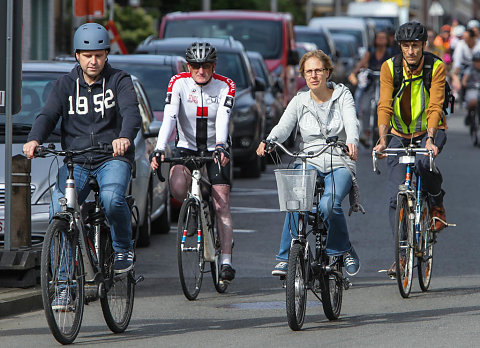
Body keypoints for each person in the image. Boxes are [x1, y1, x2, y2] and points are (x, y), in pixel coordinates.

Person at [23, 24, 142, 275]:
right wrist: (34, 139)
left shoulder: (120, 80)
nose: (93, 61)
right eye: (88, 56)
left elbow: (131, 112)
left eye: (99, 55)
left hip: (112, 157)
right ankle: (64, 284)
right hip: (75, 160)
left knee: (112, 199)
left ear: (107, 55)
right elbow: (47, 115)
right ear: (77, 55)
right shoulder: (65, 85)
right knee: (59, 209)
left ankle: (122, 246)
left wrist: (124, 137)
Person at [256, 49, 361, 277]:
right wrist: (269, 140)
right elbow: (284, 126)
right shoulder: (300, 100)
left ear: (327, 72)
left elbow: (352, 121)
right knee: (295, 201)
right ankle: (286, 257)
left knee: (328, 204)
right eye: (308, 71)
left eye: (318, 71)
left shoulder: (343, 95)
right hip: (309, 159)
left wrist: (352, 141)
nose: (313, 76)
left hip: (338, 157)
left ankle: (343, 248)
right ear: (303, 75)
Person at [150, 42, 236, 283]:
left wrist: (220, 145)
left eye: (206, 66)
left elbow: (223, 117)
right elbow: (169, 116)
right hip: (186, 146)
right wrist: (159, 149)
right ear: (188, 66)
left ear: (213, 66)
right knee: (177, 187)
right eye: (196, 66)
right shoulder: (178, 82)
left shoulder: (225, 85)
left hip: (216, 147)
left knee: (222, 204)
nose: (201, 71)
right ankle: (197, 204)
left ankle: (226, 259)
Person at [374, 21, 448, 276]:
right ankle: (402, 256)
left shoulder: (435, 66)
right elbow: (384, 104)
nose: (411, 51)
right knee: (396, 199)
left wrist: (430, 138)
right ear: (401, 47)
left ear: (423, 46)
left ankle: (436, 201)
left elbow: (436, 104)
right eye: (406, 46)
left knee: (422, 163)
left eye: (415, 45)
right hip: (398, 133)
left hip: (431, 130)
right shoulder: (389, 68)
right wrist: (383, 139)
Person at [348, 30, 391, 146]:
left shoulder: (391, 52)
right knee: (365, 105)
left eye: (383, 38)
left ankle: (385, 132)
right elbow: (362, 63)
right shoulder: (371, 51)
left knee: (385, 106)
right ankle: (367, 132)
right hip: (372, 82)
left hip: (385, 83)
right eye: (379, 38)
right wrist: (354, 73)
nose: (381, 40)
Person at [462, 51, 480, 124]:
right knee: (473, 101)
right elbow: (464, 81)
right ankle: (469, 115)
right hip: (472, 89)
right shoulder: (469, 69)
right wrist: (467, 84)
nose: (478, 63)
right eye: (476, 61)